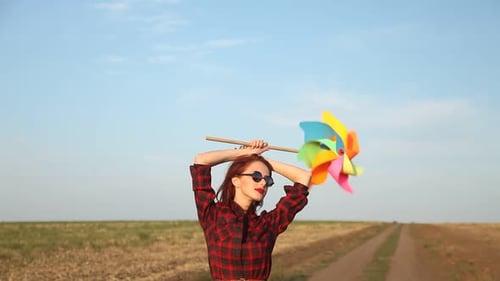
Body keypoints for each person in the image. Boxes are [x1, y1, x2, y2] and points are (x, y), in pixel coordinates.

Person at [190, 139, 312, 281]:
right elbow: (201, 160)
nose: (262, 183)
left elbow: (304, 177)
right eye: (256, 176)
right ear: (236, 181)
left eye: (268, 180)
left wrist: (260, 159)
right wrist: (244, 153)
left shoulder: (269, 224)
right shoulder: (212, 215)